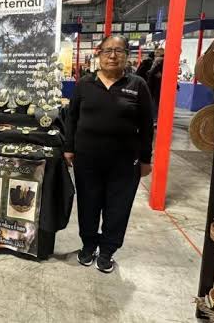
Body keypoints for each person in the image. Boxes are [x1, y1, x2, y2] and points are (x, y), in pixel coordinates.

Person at [63, 35, 155, 273]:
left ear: (127, 56)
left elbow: (147, 125)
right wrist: (69, 148)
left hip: (124, 163)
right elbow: (72, 117)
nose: (112, 56)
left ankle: (107, 252)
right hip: (87, 160)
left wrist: (146, 159)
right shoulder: (85, 84)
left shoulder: (137, 85)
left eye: (118, 51)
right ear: (99, 54)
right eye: (107, 51)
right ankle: (88, 246)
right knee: (88, 205)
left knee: (118, 208)